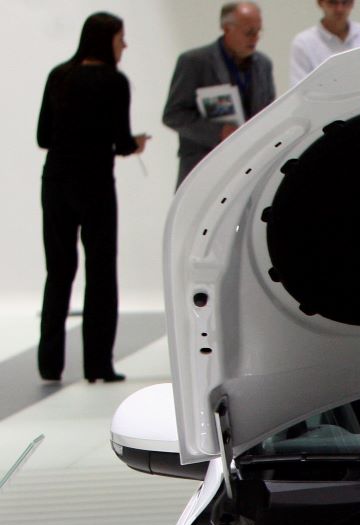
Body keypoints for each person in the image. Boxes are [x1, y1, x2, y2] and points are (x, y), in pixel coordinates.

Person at [36, 12, 148, 385]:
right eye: (121, 38)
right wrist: (136, 145)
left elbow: (43, 137)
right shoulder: (115, 82)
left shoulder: (59, 75)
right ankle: (97, 365)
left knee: (59, 271)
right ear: (107, 41)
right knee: (100, 273)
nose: (125, 45)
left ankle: (50, 363)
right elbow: (120, 140)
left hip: (55, 182)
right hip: (95, 185)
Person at [163, 2, 275, 186]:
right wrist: (219, 132)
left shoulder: (263, 65)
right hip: (204, 166)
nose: (255, 38)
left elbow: (269, 110)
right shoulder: (194, 62)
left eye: (259, 31)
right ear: (226, 29)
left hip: (250, 168)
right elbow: (173, 115)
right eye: (249, 32)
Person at [290, 0, 360, 86]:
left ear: (353, 3)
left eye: (345, 2)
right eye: (333, 2)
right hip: (324, 103)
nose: (339, 9)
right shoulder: (303, 42)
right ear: (320, 3)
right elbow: (298, 91)